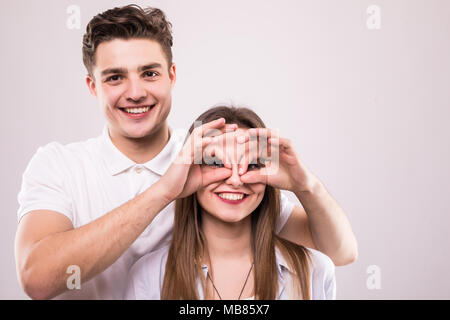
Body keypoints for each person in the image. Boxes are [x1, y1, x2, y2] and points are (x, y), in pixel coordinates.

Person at [15, 5, 356, 300]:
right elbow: (37, 280)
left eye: (149, 73)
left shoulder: (213, 156)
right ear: (93, 86)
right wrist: (165, 191)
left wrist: (304, 184)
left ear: (171, 76)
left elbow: (338, 252)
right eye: (115, 77)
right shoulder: (59, 165)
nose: (135, 92)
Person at [125, 106, 336, 300]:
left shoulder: (315, 271)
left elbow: (345, 250)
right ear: (188, 170)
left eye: (251, 164)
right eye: (216, 162)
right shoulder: (149, 276)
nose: (235, 180)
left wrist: (306, 184)